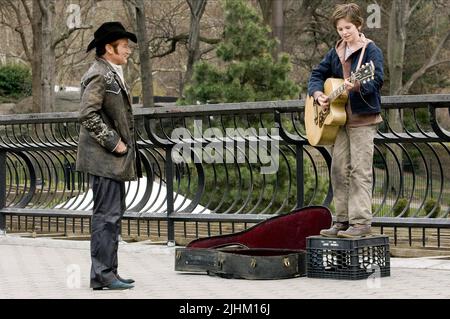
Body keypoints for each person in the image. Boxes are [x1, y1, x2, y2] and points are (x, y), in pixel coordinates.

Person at [307, 3, 384, 238]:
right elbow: (316, 75)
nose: (344, 33)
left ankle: (360, 223)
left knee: (360, 171)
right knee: (339, 170)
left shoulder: (371, 51)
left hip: (362, 120)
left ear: (359, 25)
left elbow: (378, 79)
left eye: (348, 27)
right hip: (338, 121)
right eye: (340, 29)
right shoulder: (336, 51)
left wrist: (357, 84)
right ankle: (341, 220)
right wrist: (318, 94)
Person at [76, 21, 141, 290]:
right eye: (124, 46)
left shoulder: (111, 72)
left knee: (112, 215)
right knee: (106, 216)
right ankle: (103, 275)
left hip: (110, 162)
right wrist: (115, 143)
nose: (128, 51)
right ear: (108, 47)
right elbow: (87, 113)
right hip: (104, 159)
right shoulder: (100, 74)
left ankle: (108, 273)